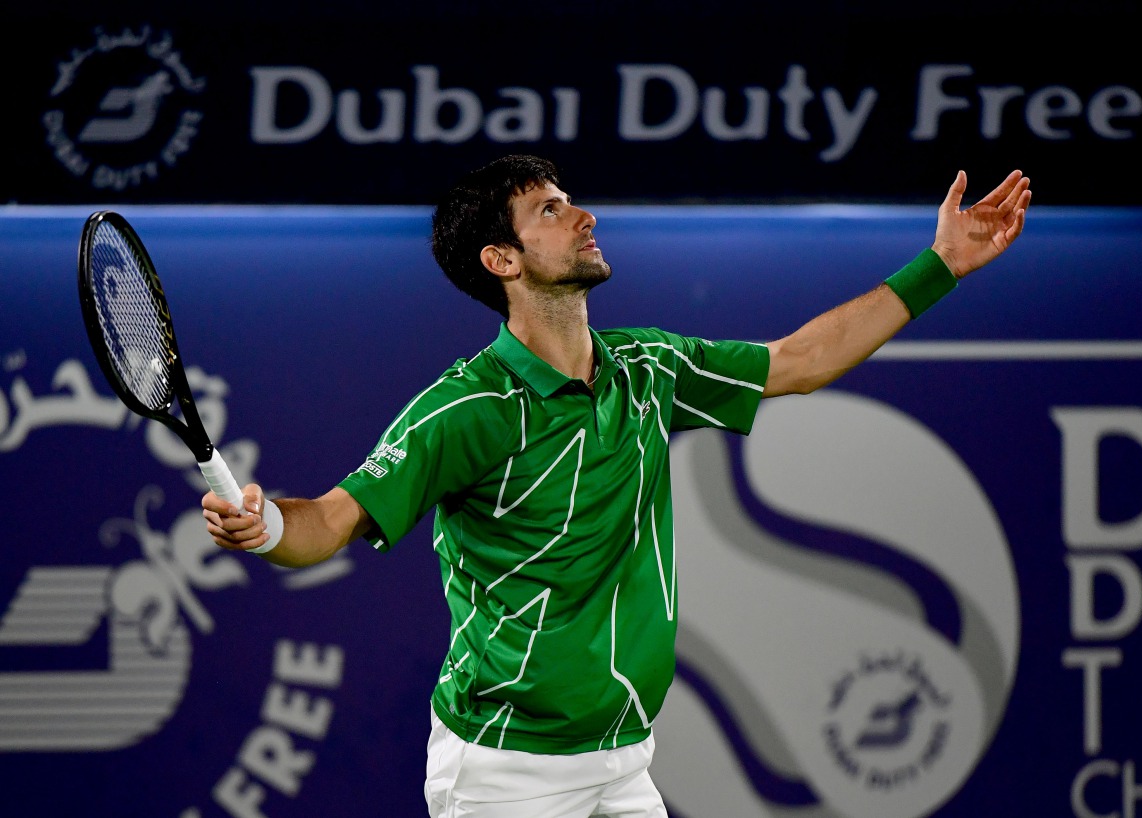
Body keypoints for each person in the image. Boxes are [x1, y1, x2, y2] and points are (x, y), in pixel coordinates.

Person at [202, 154, 1031, 817]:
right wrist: (266, 526)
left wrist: (942, 266)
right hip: (505, 772)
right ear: (504, 260)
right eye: (551, 211)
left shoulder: (647, 367)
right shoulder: (465, 410)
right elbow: (333, 520)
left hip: (624, 759)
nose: (583, 214)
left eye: (570, 199)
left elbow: (800, 362)